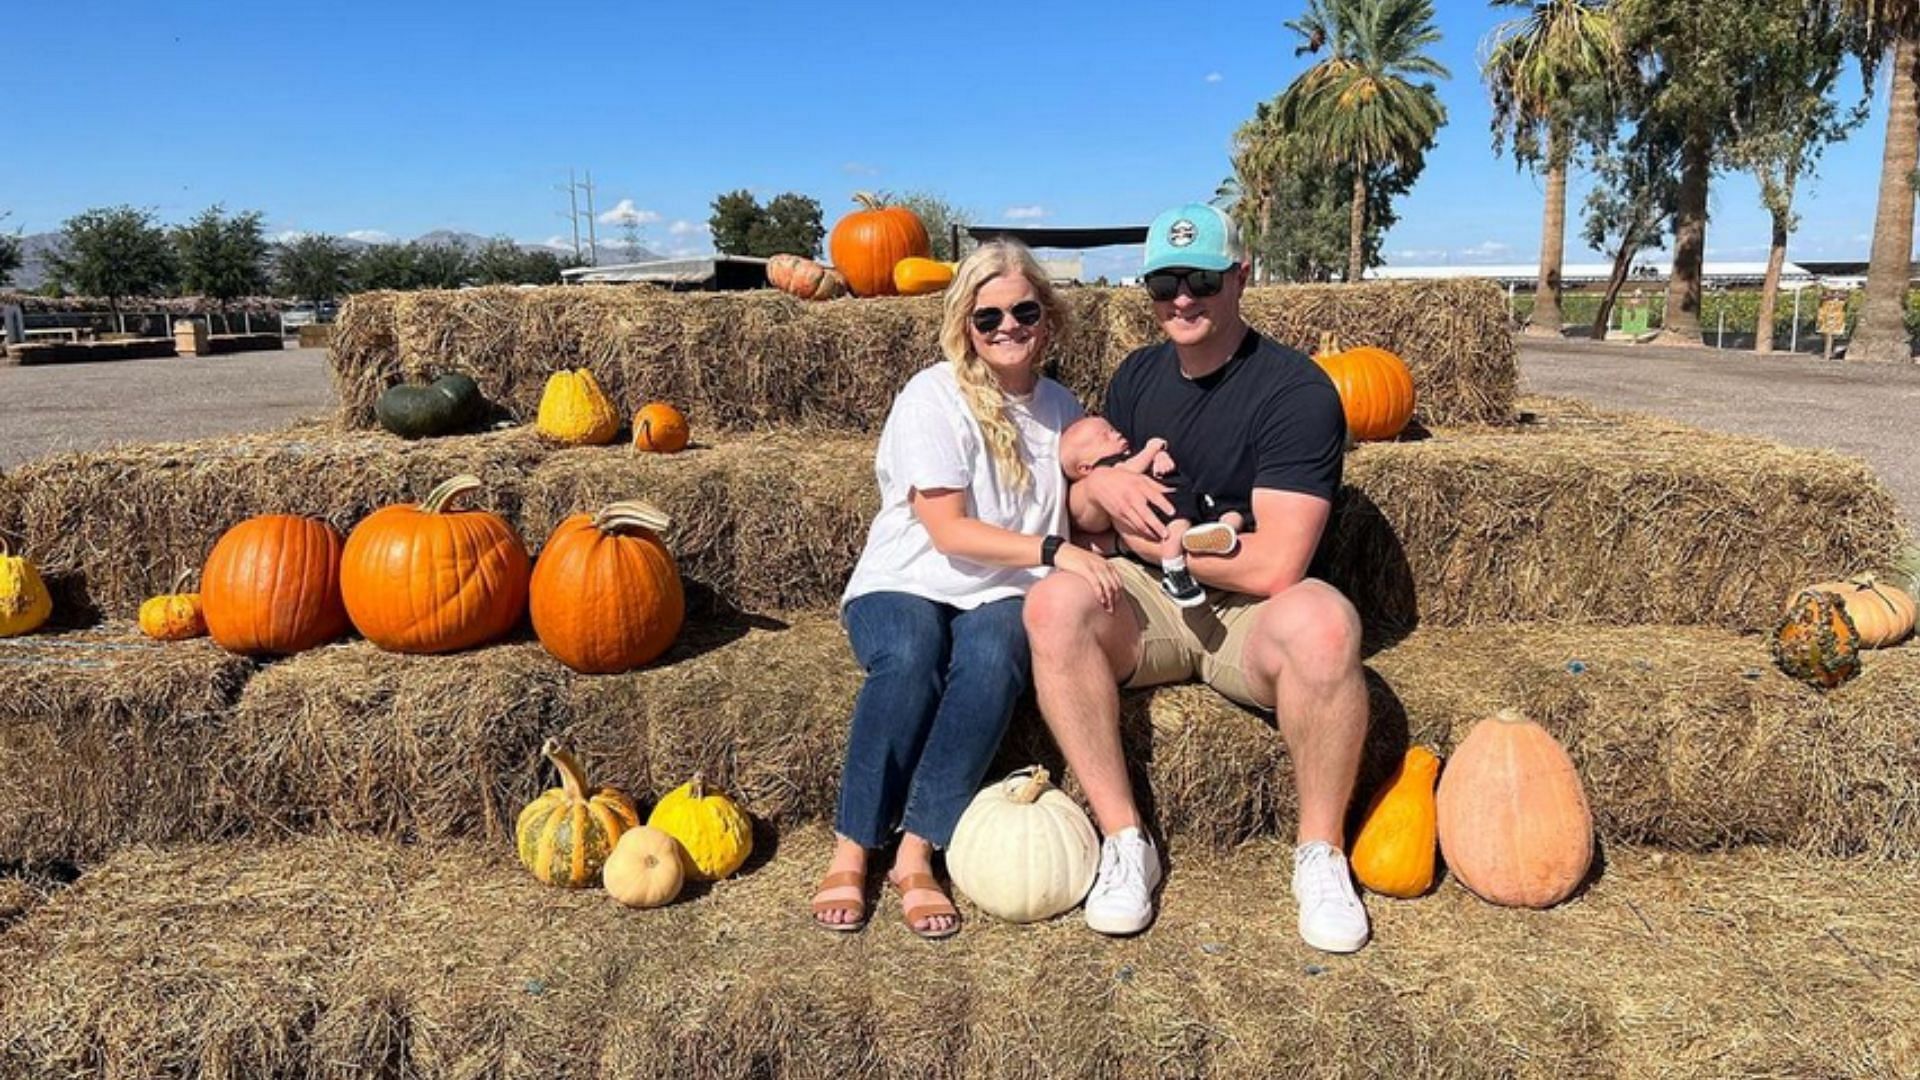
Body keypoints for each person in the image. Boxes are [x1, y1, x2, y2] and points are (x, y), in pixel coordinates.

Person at [1024, 203, 1372, 953]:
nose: (1181, 299)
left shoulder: (1296, 392)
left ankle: (1321, 854)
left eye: (1201, 281)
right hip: (1150, 603)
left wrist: (1157, 548)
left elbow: (1278, 564)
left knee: (1327, 623)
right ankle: (1125, 840)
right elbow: (1086, 518)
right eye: (1164, 284)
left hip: (1246, 610)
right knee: (1053, 605)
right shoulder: (1138, 375)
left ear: (1241, 277)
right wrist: (1103, 489)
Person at [811, 239, 1122, 940]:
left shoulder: (1063, 409)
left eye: (1023, 310)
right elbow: (948, 531)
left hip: (1003, 591)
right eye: (988, 318)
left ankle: (918, 851)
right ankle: (853, 847)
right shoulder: (933, 395)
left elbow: (1088, 499)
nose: (1007, 326)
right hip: (906, 579)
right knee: (913, 653)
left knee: (994, 655)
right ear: (965, 326)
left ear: (1047, 318)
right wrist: (1055, 550)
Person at [1058, 415, 1248, 608]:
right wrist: (1152, 449)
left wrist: (1160, 457)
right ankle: (1174, 571)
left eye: (1113, 430)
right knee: (1176, 527)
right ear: (1085, 468)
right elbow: (1127, 471)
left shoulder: (1133, 453)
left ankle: (1220, 532)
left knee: (1233, 514)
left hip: (1187, 496)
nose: (1116, 435)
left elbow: (1149, 461)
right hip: (1163, 504)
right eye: (1105, 437)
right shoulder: (1108, 468)